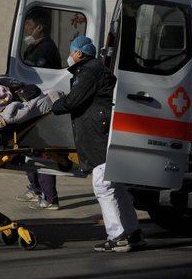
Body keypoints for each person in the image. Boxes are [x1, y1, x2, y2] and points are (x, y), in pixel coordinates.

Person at [51, 35, 145, 252]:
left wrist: (55, 105)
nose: (69, 56)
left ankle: (118, 236)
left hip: (97, 134)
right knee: (117, 186)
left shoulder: (89, 71)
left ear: (79, 54)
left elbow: (74, 100)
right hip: (100, 130)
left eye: (71, 52)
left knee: (102, 185)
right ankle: (133, 233)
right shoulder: (92, 69)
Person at [16, 9, 61, 210]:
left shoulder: (46, 49)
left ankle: (50, 197)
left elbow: (36, 74)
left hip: (42, 105)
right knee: (31, 148)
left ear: (40, 28)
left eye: (30, 25)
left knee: (43, 151)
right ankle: (35, 189)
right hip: (33, 104)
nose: (26, 28)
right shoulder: (36, 46)